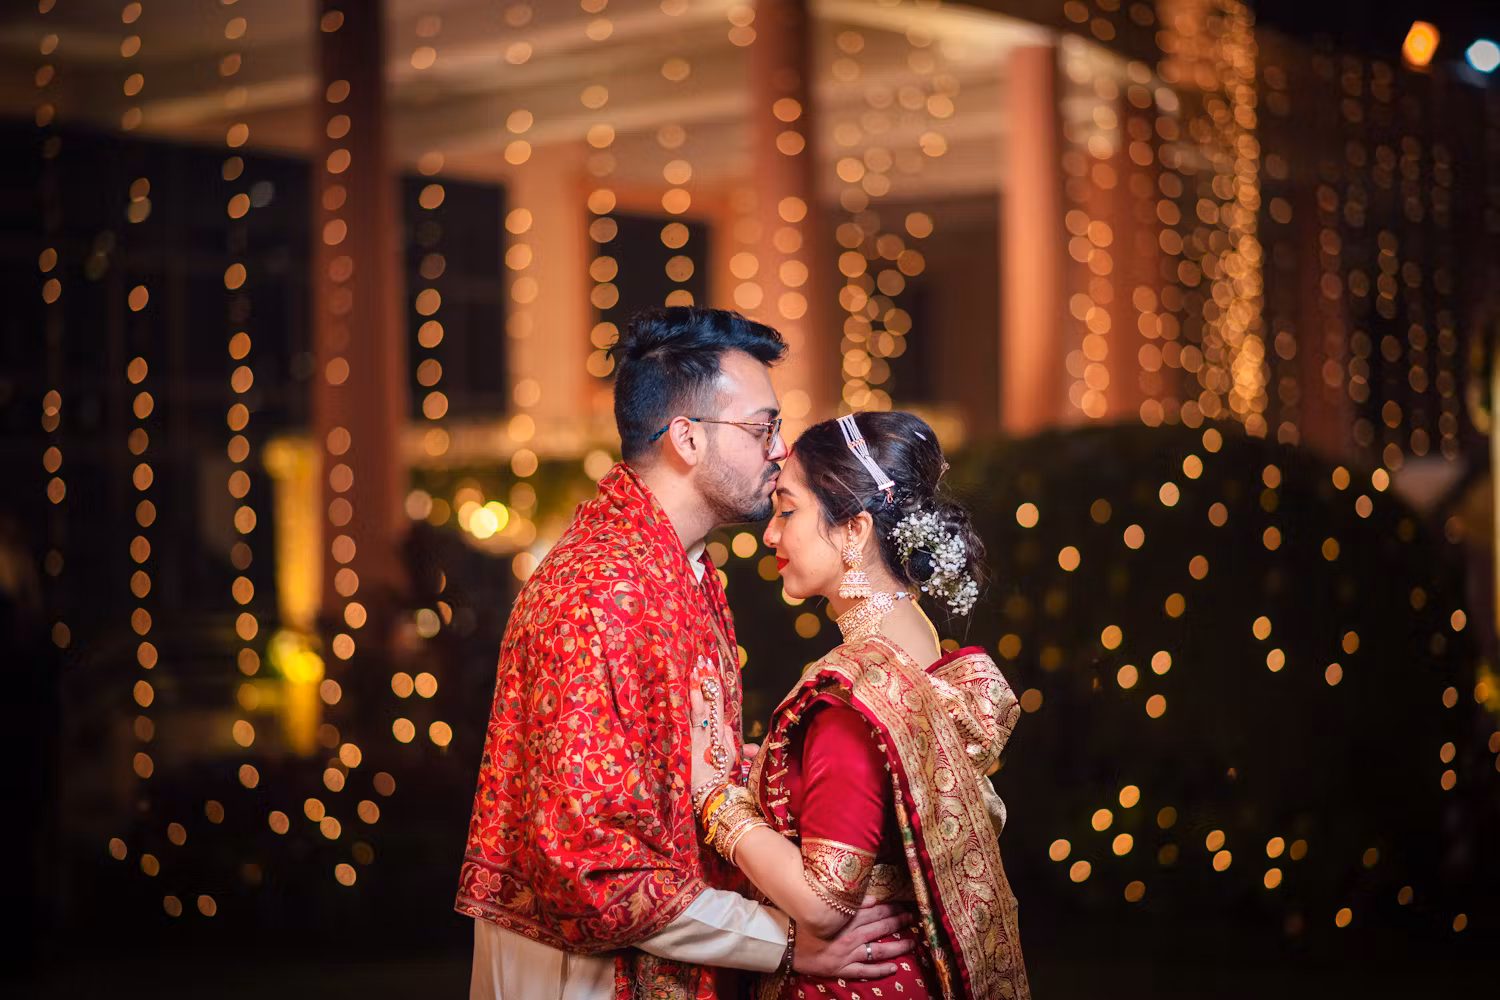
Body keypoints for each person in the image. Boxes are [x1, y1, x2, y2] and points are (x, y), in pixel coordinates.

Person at [456, 308, 916, 1000]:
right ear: (687, 439)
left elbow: (684, 771)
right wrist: (791, 941)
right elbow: (592, 866)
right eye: (762, 427)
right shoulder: (599, 593)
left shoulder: (680, 570)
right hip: (583, 978)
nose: (779, 449)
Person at [686, 411, 1031, 1000]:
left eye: (788, 511)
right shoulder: (920, 657)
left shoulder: (855, 700)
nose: (770, 535)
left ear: (854, 531)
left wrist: (713, 799)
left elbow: (825, 901)